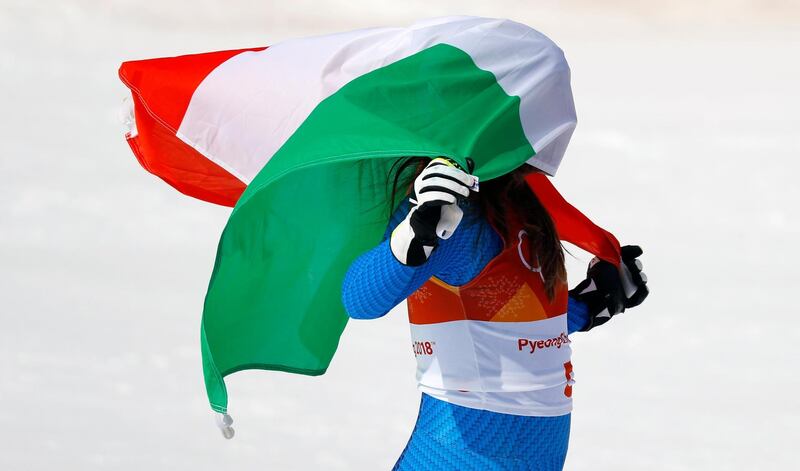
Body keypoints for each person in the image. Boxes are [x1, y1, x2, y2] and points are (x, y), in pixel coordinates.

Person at [342, 157, 649, 470]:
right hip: (455, 456)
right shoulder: (451, 210)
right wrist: (413, 233)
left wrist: (591, 304)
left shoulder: (523, 201)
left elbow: (512, 319)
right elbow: (360, 299)